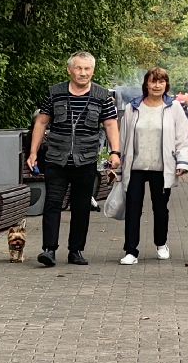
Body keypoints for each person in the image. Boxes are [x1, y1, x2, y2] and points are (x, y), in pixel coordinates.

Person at [27, 51, 121, 267]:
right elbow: (41, 123)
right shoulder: (55, 93)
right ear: (69, 70)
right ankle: (49, 250)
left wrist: (115, 152)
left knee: (81, 207)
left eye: (87, 69)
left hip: (86, 159)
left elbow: (110, 125)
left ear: (93, 71)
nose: (83, 73)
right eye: (78, 68)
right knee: (52, 203)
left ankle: (76, 250)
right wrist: (33, 152)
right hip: (56, 158)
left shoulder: (102, 95)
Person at [116, 67, 188, 264]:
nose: (157, 85)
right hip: (135, 166)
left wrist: (182, 161)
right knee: (133, 208)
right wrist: (117, 161)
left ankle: (161, 242)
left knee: (160, 208)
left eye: (161, 81)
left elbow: (182, 138)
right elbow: (123, 137)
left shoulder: (174, 108)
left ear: (166, 85)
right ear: (146, 84)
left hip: (162, 167)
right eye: (153, 81)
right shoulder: (133, 107)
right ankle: (131, 250)